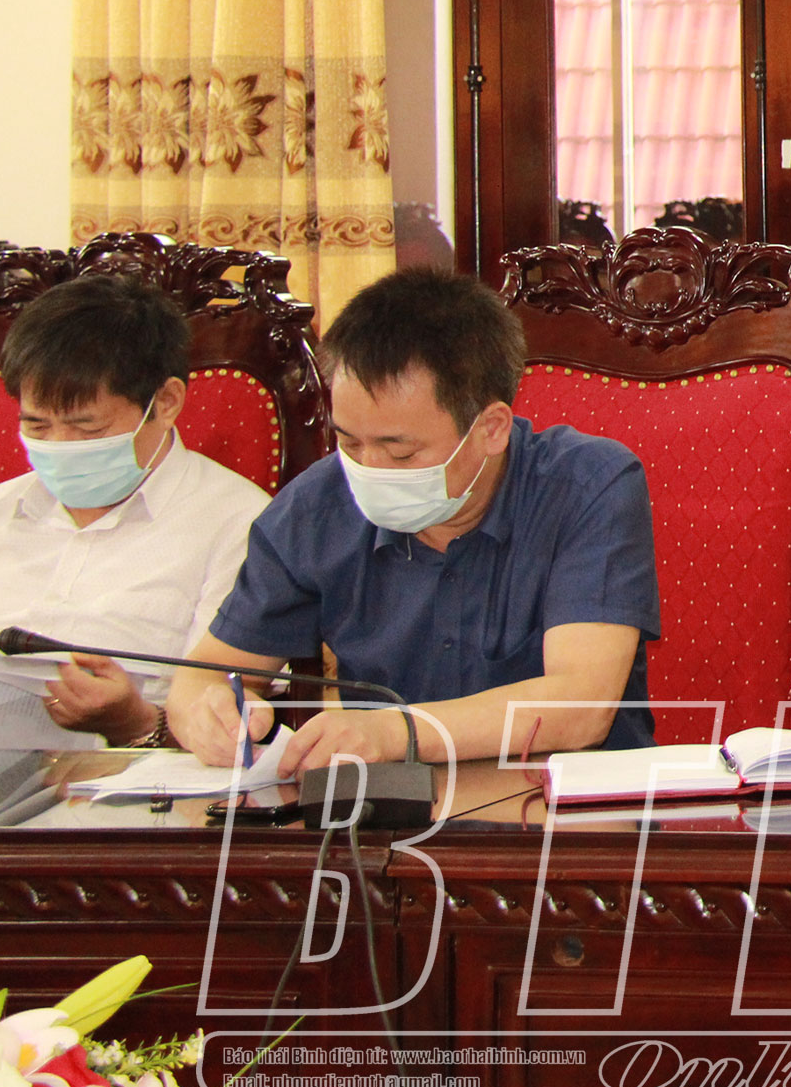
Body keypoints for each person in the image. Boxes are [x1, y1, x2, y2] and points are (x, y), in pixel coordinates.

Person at [166, 269, 660, 768]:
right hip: (386, 809)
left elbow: (580, 707)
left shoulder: (587, 484)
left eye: (400, 453)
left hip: (572, 806)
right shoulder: (316, 506)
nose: (369, 469)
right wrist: (209, 715)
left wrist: (393, 732)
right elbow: (202, 676)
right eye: (349, 443)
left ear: (491, 428)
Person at [0, 274, 267, 746]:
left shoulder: (241, 526)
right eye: (37, 427)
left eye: (88, 429)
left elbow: (236, 724)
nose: (61, 446)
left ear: (166, 402)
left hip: (142, 778)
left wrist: (135, 721)